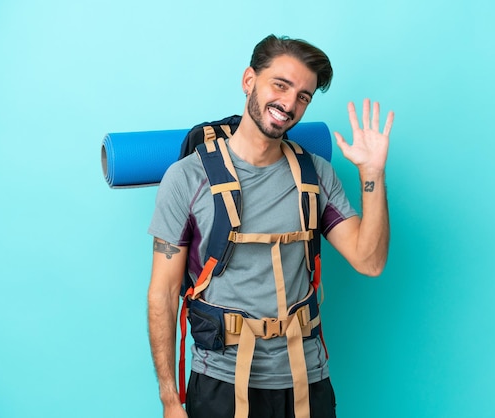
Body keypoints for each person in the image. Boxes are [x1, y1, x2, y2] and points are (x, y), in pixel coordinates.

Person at [147, 34, 394, 418]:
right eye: (280, 85)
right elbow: (162, 293)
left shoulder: (316, 176)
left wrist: (373, 174)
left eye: (303, 96)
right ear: (249, 81)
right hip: (220, 383)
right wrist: (169, 398)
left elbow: (370, 261)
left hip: (305, 380)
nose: (289, 104)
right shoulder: (187, 178)